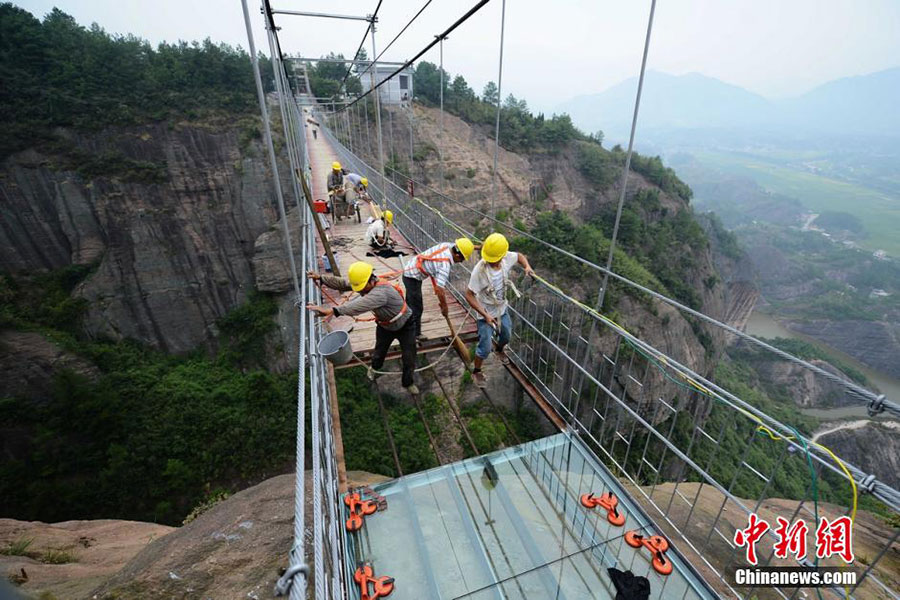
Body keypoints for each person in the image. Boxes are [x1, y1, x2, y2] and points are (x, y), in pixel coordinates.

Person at [306, 262, 419, 394]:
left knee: (409, 356)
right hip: (385, 326)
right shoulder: (365, 284)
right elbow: (343, 284)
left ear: (371, 280)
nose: (359, 291)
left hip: (406, 325)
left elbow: (360, 305)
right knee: (379, 353)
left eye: (361, 288)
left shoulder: (381, 293)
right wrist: (321, 278)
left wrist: (334, 310)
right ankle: (375, 369)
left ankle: (408, 382)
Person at [464, 233, 534, 388]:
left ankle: (500, 350)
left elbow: (520, 256)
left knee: (507, 335)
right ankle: (476, 370)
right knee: (485, 346)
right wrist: (485, 315)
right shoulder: (479, 271)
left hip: (501, 309)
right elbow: (469, 295)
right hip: (485, 313)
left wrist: (527, 267)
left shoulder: (505, 258)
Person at [401, 238, 475, 340]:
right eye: (462, 259)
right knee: (417, 308)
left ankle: (405, 324)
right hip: (412, 277)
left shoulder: (447, 246)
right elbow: (440, 290)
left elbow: (461, 246)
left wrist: (477, 247)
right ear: (457, 255)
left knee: (410, 303)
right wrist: (445, 307)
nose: (461, 262)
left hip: (412, 267)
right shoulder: (444, 266)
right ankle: (414, 334)